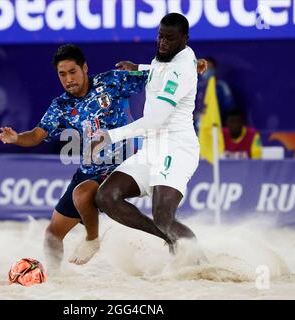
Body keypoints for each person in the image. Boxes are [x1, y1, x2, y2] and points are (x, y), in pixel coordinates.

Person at [0, 44, 151, 269]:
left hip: (123, 165)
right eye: (62, 74)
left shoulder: (112, 82)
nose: (68, 79)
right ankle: (54, 279)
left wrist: (187, 68)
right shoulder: (60, 106)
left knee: (82, 193)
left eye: (72, 72)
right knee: (52, 234)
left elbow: (156, 76)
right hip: (89, 170)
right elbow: (37, 135)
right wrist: (17, 138)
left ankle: (92, 239)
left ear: (84, 68)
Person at [93, 13, 205, 259]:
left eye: (170, 39)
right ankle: (171, 239)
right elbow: (159, 70)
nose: (163, 43)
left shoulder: (181, 71)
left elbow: (154, 121)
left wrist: (110, 136)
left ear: (185, 39)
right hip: (152, 148)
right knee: (106, 197)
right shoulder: (169, 57)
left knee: (164, 216)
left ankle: (199, 261)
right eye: (160, 37)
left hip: (176, 149)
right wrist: (139, 68)